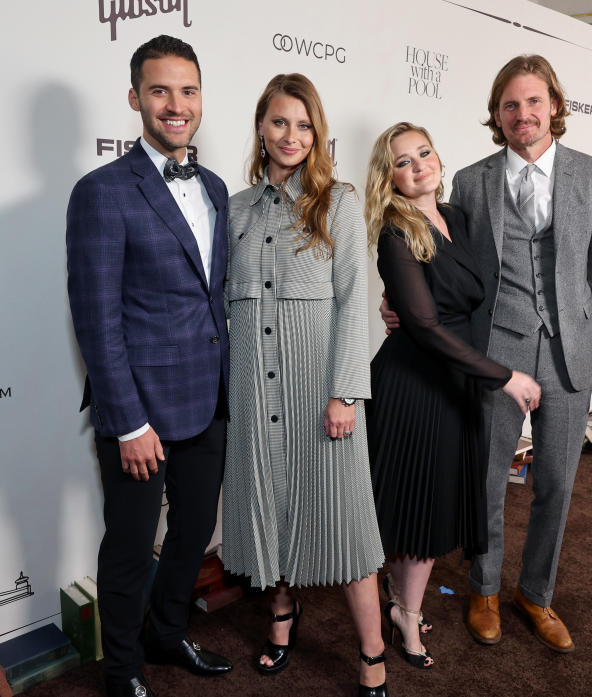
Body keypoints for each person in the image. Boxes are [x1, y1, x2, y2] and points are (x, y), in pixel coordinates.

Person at [412, 54, 592, 653]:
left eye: (534, 102)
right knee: (485, 481)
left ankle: (535, 594)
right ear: (498, 116)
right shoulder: (472, 181)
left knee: (556, 483)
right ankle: (484, 589)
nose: (523, 114)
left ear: (555, 107)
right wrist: (408, 303)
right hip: (497, 352)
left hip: (568, 355)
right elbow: (450, 266)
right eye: (511, 105)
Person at [66, 35, 232, 697]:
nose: (176, 104)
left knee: (192, 533)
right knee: (131, 547)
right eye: (160, 90)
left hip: (207, 397)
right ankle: (123, 667)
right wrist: (127, 420)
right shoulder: (102, 192)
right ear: (135, 98)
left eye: (187, 91)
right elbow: (96, 316)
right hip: (139, 409)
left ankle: (167, 633)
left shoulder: (217, 185)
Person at [221, 73, 388, 696]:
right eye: (279, 122)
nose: (291, 136)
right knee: (272, 507)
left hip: (321, 388)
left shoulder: (337, 201)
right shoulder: (235, 207)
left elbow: (354, 300)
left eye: (304, 124)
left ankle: (372, 652)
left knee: (345, 520)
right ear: (261, 128)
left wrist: (346, 392)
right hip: (254, 390)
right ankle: (282, 618)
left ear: (317, 133)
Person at [365, 122, 542, 671]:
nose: (418, 165)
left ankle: (401, 606)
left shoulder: (459, 219)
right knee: (412, 511)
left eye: (424, 153)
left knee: (429, 506)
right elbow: (423, 324)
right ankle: (405, 612)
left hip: (457, 380)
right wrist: (504, 376)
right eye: (402, 161)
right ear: (387, 177)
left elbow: (475, 298)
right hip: (415, 384)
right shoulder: (395, 232)